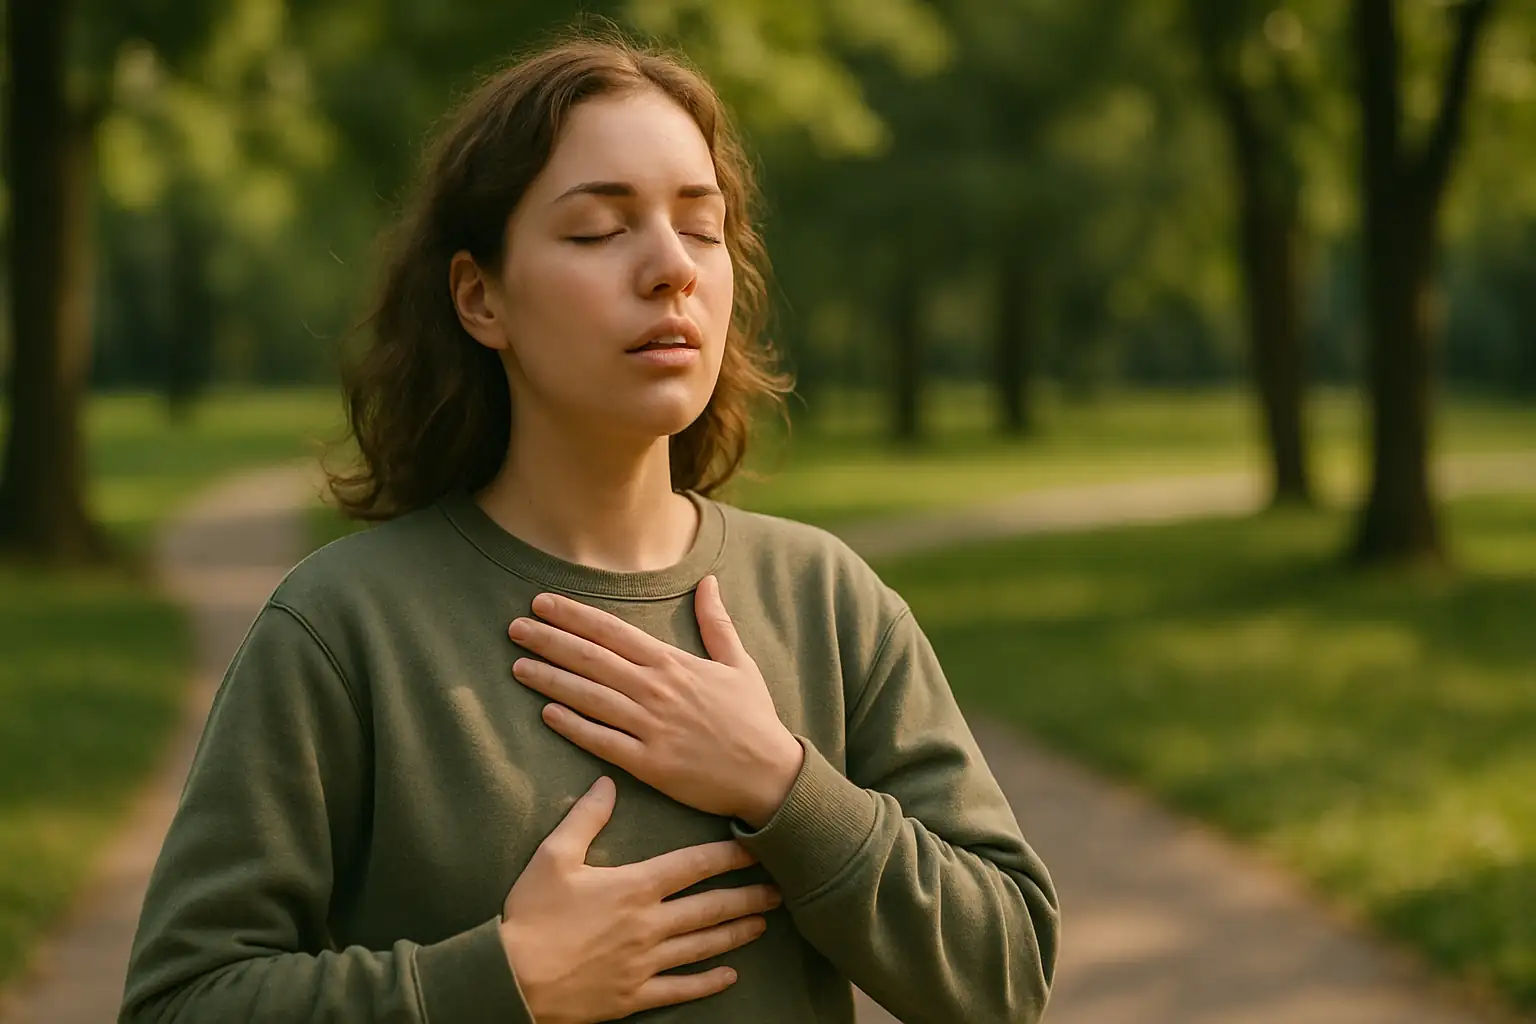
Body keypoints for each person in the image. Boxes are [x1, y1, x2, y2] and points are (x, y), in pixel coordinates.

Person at [119, 29, 1059, 1024]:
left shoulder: (828, 601)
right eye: (599, 230)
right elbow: (181, 1001)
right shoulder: (342, 629)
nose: (670, 268)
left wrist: (782, 783)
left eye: (701, 227)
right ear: (481, 297)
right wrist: (501, 983)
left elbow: (1003, 978)